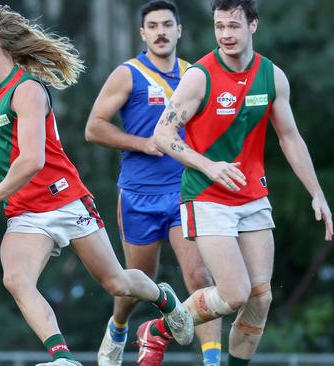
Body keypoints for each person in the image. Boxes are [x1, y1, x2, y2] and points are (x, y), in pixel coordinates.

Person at [0, 5, 193, 366]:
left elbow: (30, 161)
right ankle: (62, 358)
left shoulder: (27, 90)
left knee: (117, 283)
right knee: (16, 279)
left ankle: (165, 299)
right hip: (24, 211)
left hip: (64, 200)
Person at [137, 0, 333, 365]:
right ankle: (159, 329)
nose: (226, 35)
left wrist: (317, 194)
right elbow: (163, 134)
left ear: (253, 26)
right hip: (206, 195)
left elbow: (290, 137)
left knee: (261, 297)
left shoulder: (272, 76)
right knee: (236, 294)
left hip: (252, 195)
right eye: (219, 27)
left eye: (234, 26)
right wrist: (209, 166)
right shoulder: (200, 76)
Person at [84, 1, 222, 365]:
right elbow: (94, 127)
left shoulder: (196, 74)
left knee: (199, 275)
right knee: (138, 282)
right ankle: (117, 326)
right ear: (142, 33)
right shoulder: (127, 74)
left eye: (167, 25)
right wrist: (143, 142)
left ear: (180, 31)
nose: (161, 32)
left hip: (184, 191)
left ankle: (211, 360)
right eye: (153, 26)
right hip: (138, 194)